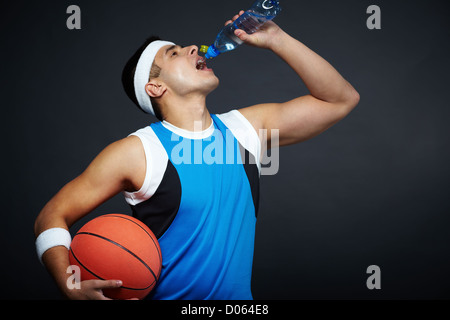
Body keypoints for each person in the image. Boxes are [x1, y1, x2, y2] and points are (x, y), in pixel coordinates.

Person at [34, 11, 359, 300]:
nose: (194, 48)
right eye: (174, 52)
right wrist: (68, 281)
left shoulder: (246, 129)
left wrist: (277, 39)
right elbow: (51, 215)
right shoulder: (138, 151)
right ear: (155, 87)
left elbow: (339, 100)